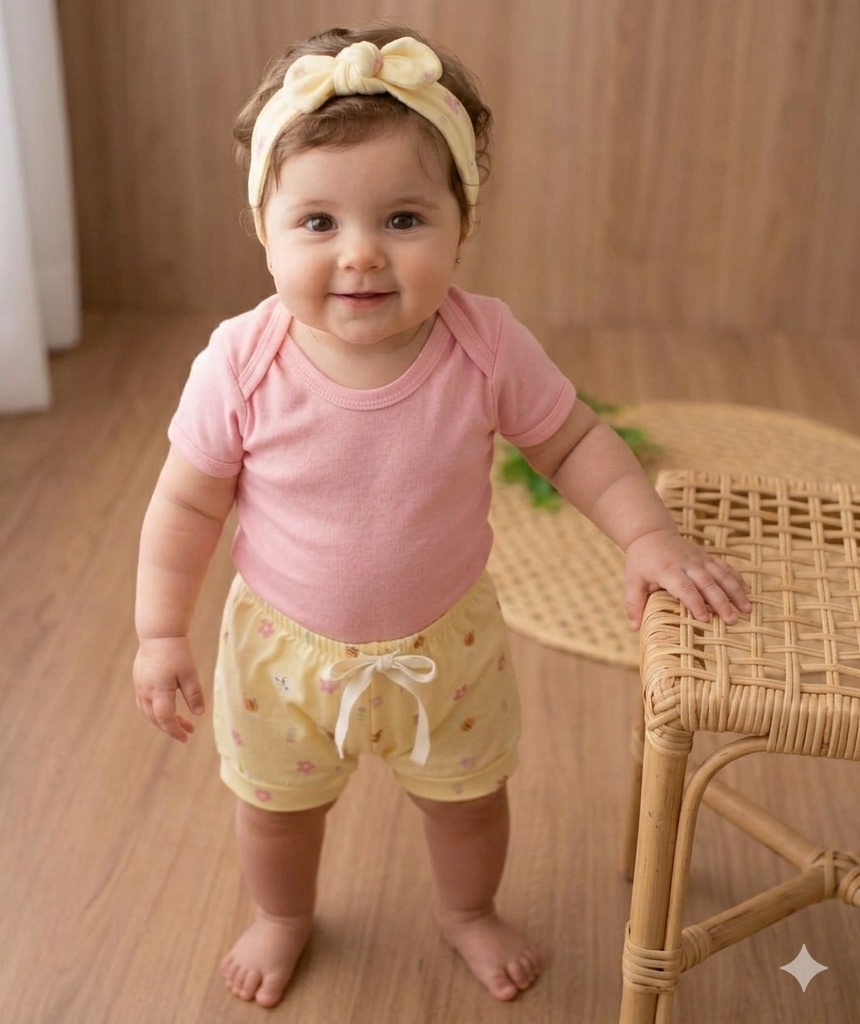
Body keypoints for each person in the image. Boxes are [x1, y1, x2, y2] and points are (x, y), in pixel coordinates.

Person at [133, 24, 751, 1009]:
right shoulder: (241, 364)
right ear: (264, 229)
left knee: (468, 805)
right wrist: (161, 631)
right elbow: (186, 501)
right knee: (277, 813)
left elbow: (574, 444)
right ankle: (282, 915)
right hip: (281, 655)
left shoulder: (484, 344)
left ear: (462, 224)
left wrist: (646, 536)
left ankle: (468, 910)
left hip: (448, 644)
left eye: (404, 218)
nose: (361, 254)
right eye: (318, 221)